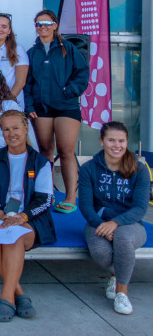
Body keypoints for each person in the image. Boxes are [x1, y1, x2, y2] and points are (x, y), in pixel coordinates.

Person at [0, 110, 55, 322]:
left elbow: (45, 199)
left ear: (25, 129)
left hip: (30, 220)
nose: (11, 133)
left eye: (15, 128)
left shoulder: (40, 162)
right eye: (6, 129)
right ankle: (19, 294)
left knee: (14, 237)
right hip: (0, 216)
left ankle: (6, 299)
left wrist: (21, 217)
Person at [79, 122, 150, 315]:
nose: (116, 145)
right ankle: (117, 272)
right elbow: (85, 206)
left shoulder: (139, 169)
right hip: (98, 223)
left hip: (130, 223)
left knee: (123, 238)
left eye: (121, 141)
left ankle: (121, 292)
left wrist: (115, 224)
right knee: (101, 253)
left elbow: (140, 208)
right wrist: (101, 225)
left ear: (127, 142)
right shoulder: (88, 169)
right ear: (102, 141)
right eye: (111, 140)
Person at [24, 9, 89, 214]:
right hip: (41, 109)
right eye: (38, 24)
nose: (42, 27)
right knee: (45, 152)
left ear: (55, 25)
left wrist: (68, 91)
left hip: (66, 107)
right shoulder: (32, 53)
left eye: (46, 23)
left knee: (66, 151)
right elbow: (27, 83)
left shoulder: (68, 48)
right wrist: (30, 106)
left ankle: (70, 197)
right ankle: (47, 194)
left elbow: (82, 74)